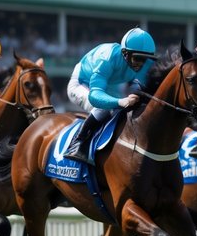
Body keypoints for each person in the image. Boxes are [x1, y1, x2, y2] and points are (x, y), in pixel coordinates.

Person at [63, 27, 158, 164]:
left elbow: (143, 89)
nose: (141, 64)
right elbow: (95, 96)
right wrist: (120, 101)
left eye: (145, 60)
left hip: (110, 87)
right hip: (83, 84)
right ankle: (77, 143)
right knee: (105, 108)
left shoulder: (144, 63)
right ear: (125, 53)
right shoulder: (107, 57)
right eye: (138, 59)